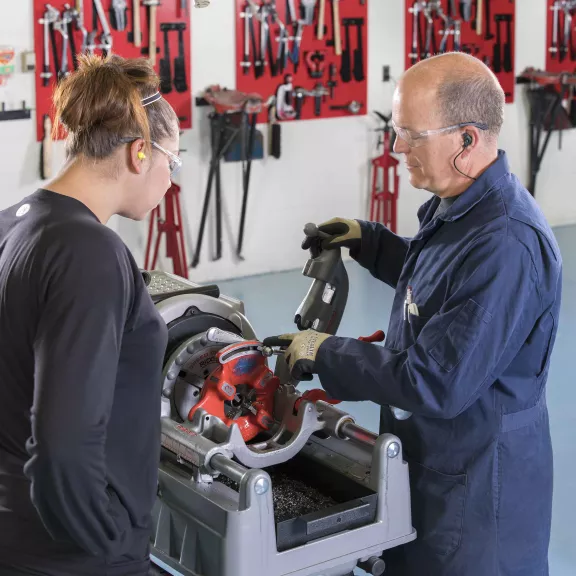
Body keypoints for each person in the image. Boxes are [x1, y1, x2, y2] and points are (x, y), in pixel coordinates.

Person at [264, 52, 562, 576]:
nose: (397, 147)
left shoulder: (507, 244)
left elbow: (434, 382)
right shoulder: (467, 206)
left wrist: (324, 353)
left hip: (475, 493)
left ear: (467, 141)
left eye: (410, 134)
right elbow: (442, 286)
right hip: (435, 460)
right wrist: (370, 242)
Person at [0, 54, 180, 576]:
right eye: (173, 158)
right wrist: (104, 543)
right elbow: (64, 444)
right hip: (68, 556)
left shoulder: (17, 223)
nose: (171, 179)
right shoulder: (89, 251)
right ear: (139, 152)